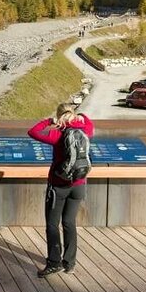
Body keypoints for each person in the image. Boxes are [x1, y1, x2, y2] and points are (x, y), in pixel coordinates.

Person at [28, 103, 94, 278]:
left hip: (59, 185)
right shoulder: (85, 130)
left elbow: (33, 132)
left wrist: (49, 121)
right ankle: (70, 263)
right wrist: (81, 116)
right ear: (72, 114)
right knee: (69, 222)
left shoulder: (57, 134)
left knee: (52, 223)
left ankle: (54, 262)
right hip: (79, 184)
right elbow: (89, 123)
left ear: (59, 116)